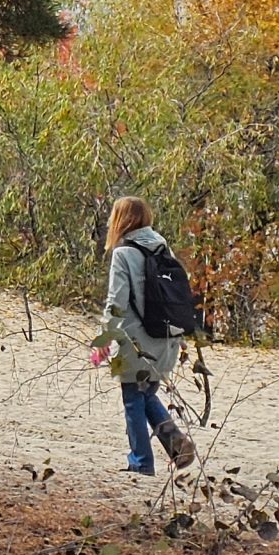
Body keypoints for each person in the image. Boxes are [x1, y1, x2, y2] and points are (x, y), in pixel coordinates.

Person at [102, 196, 195, 475]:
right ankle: (176, 442)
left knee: (133, 399)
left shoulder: (123, 253)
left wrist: (105, 338)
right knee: (146, 394)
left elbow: (116, 301)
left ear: (122, 220)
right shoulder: (162, 246)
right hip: (167, 337)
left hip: (135, 341)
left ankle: (141, 463)